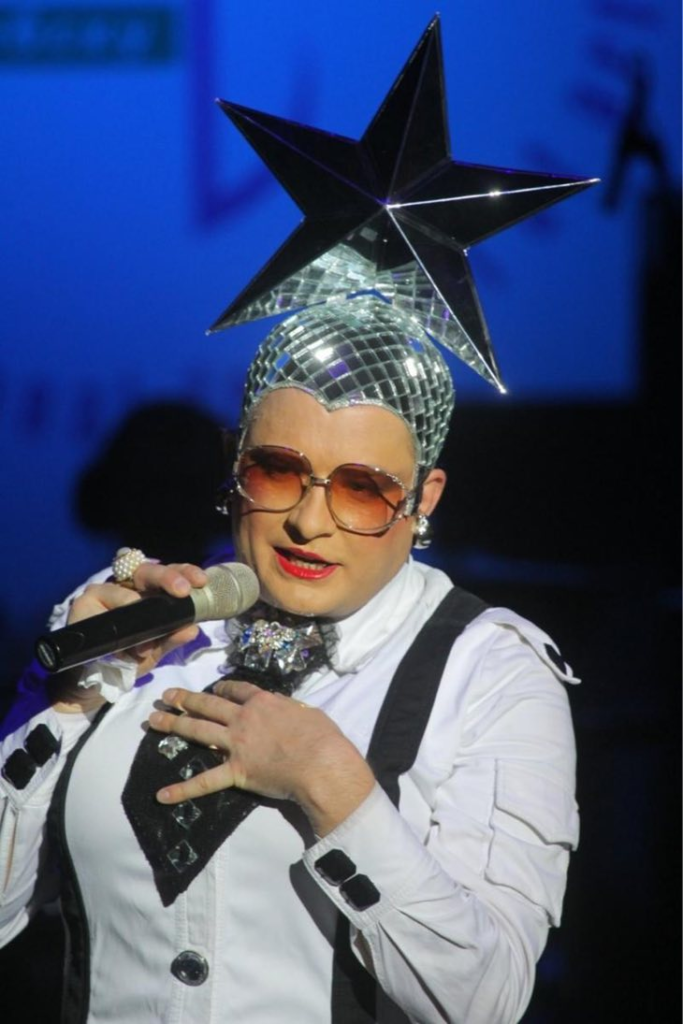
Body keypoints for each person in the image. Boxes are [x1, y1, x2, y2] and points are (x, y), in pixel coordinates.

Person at [0, 296, 578, 1024]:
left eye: (363, 489)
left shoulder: (489, 671)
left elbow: (484, 999)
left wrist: (332, 785)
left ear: (422, 498)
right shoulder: (143, 626)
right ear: (234, 463)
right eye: (276, 471)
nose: (307, 522)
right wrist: (66, 706)